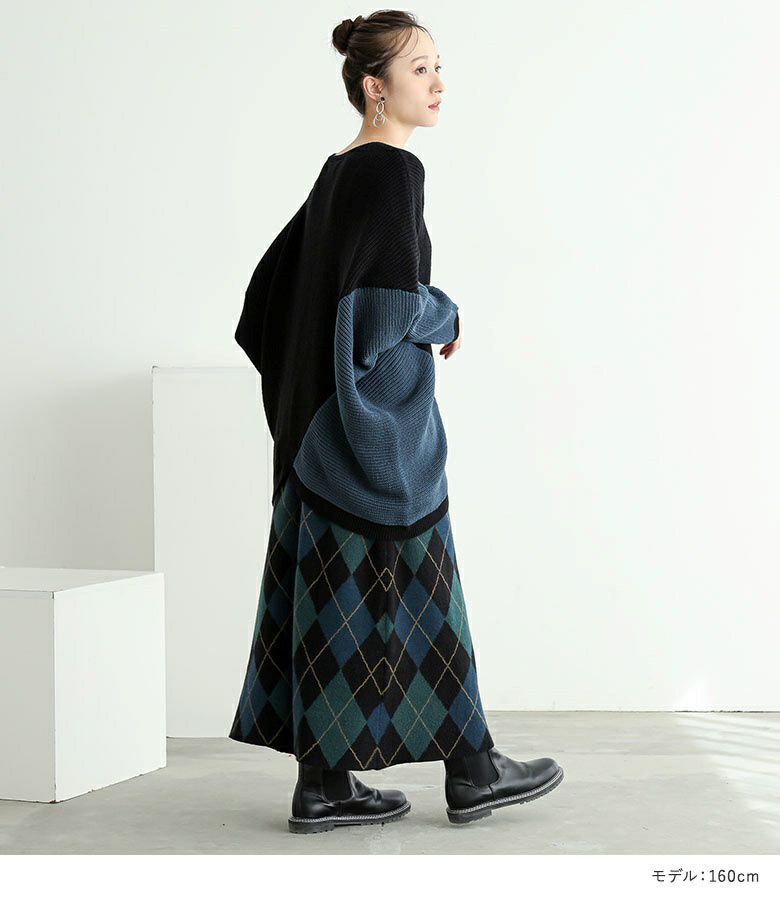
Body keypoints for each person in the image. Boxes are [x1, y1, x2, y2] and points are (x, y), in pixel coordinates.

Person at [228, 10, 564, 834]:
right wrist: (443, 314)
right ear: (375, 87)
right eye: (420, 69)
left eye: (439, 66)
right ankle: (473, 772)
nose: (439, 83)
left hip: (318, 442)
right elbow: (382, 312)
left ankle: (325, 785)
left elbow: (264, 303)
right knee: (424, 595)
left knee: (336, 600)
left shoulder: (337, 173)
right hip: (371, 446)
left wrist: (309, 395)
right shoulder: (389, 171)